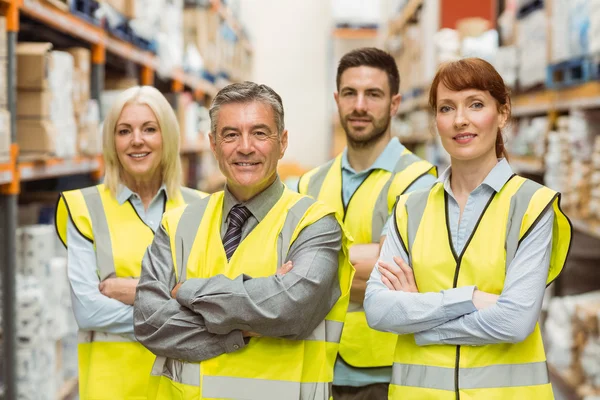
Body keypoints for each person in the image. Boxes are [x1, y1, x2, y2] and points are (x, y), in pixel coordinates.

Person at [364, 58, 572, 399]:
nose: (460, 120)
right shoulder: (410, 208)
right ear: (436, 121)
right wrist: (471, 299)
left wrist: (419, 317)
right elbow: (378, 308)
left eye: (476, 104)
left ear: (503, 113)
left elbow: (514, 321)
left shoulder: (532, 206)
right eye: (447, 108)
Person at [134, 81, 355, 400]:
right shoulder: (178, 223)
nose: (245, 147)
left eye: (260, 133)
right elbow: (149, 322)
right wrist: (245, 325)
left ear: (283, 142)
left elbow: (289, 309)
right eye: (231, 134)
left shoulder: (315, 224)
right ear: (213, 144)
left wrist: (189, 292)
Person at [297, 47, 437, 398]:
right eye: (350, 93)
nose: (359, 105)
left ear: (394, 104)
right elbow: (281, 270)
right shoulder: (308, 183)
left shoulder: (418, 182)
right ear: (337, 99)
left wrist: (310, 270)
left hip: (382, 373)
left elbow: (405, 275)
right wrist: (365, 260)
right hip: (313, 365)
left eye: (373, 94)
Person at [55, 86, 207, 400]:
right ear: (112, 141)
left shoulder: (202, 208)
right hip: (113, 388)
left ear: (167, 136)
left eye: (149, 129)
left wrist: (134, 291)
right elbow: (89, 311)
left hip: (184, 388)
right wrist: (180, 305)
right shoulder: (84, 208)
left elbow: (215, 303)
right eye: (124, 131)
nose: (136, 140)